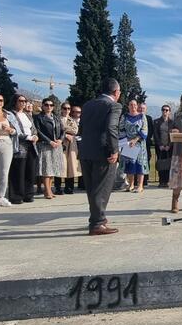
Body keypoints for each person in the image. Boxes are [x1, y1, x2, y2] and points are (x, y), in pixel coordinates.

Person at [78, 79, 122, 235]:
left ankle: (96, 219)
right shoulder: (114, 105)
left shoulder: (88, 105)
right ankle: (98, 223)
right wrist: (114, 150)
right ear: (116, 92)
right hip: (103, 152)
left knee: (92, 188)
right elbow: (112, 128)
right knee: (102, 188)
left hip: (85, 151)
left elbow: (81, 128)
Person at [7, 94, 39, 204]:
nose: (23, 103)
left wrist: (35, 136)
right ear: (15, 101)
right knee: (18, 171)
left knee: (30, 171)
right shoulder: (10, 114)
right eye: (20, 101)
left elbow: (33, 128)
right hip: (19, 145)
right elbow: (15, 131)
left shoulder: (27, 115)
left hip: (31, 145)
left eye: (25, 101)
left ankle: (28, 194)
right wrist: (28, 137)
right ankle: (16, 196)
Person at [34, 99, 65, 200]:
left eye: (51, 105)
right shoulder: (38, 117)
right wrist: (49, 141)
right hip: (45, 145)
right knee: (46, 169)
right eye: (46, 105)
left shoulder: (56, 117)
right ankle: (46, 191)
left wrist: (60, 140)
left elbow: (63, 130)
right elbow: (38, 131)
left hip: (57, 146)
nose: (49, 107)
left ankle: (50, 190)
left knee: (53, 169)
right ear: (42, 106)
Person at [118, 99, 148, 193]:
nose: (133, 106)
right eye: (131, 105)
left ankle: (140, 186)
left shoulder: (142, 116)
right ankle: (130, 185)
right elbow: (121, 128)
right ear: (128, 106)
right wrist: (127, 140)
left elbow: (144, 130)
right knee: (129, 164)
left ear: (137, 106)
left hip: (139, 143)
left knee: (139, 165)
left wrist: (135, 140)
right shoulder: (124, 116)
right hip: (128, 143)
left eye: (135, 105)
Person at [59, 103, 82, 195]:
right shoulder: (57, 119)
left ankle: (69, 187)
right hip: (61, 143)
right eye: (65, 108)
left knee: (71, 166)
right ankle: (58, 187)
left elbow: (75, 130)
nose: (67, 110)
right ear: (61, 109)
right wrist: (65, 134)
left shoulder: (71, 120)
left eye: (68, 108)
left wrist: (64, 129)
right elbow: (56, 130)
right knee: (61, 165)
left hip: (72, 144)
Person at [153, 105, 174, 187]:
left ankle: (168, 181)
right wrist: (160, 145)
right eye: (163, 110)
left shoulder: (172, 122)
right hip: (160, 147)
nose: (165, 111)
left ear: (169, 112)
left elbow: (173, 135)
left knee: (169, 163)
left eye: (167, 110)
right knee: (161, 163)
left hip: (169, 147)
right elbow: (155, 134)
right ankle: (161, 181)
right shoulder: (156, 121)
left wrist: (169, 145)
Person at [140, 101, 155, 187]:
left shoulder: (149, 118)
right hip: (137, 144)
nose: (142, 110)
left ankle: (145, 180)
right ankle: (136, 181)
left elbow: (151, 131)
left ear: (146, 110)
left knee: (146, 161)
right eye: (141, 108)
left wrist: (145, 138)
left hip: (146, 143)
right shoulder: (136, 117)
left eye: (143, 108)